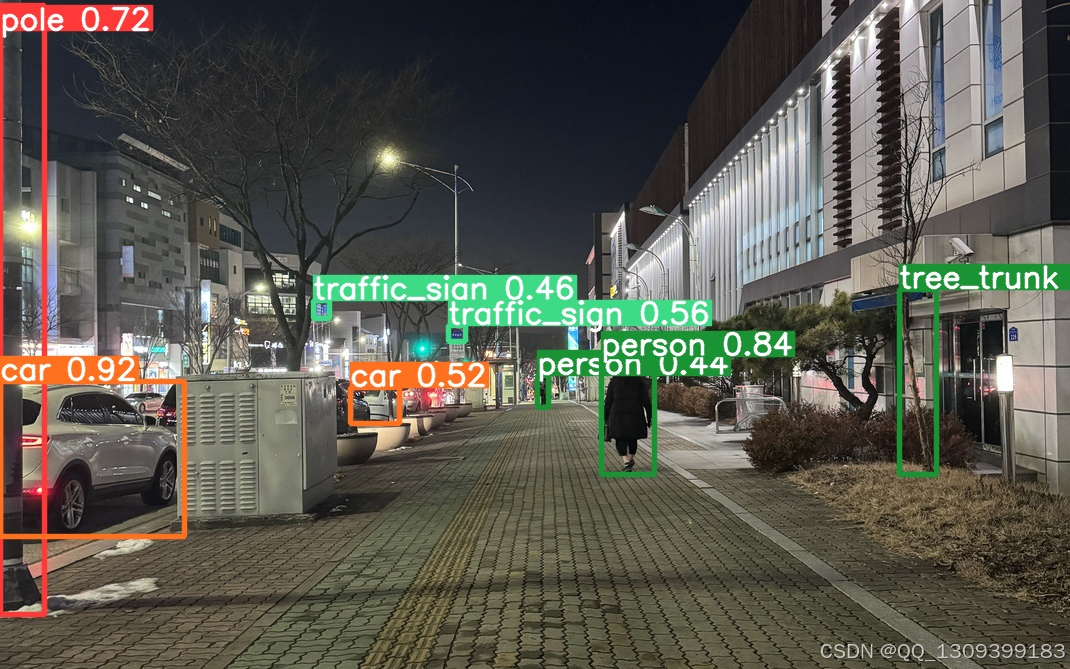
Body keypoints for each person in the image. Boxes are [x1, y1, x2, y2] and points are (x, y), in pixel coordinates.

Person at [604, 376, 652, 471]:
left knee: (619, 437)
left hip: (617, 413)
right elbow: (646, 400)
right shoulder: (638, 381)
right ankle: (630, 458)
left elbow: (608, 401)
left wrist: (605, 417)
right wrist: (649, 416)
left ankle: (626, 462)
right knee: (633, 437)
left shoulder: (614, 381)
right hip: (635, 412)